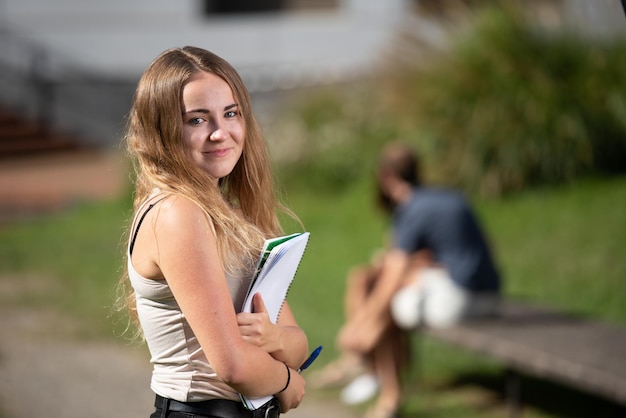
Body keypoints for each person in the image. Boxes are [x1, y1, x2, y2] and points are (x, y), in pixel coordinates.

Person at [116, 46, 308, 418]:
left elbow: (298, 343)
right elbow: (233, 365)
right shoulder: (177, 212)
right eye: (197, 120)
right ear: (162, 131)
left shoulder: (230, 215)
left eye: (231, 113)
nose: (221, 133)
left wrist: (275, 339)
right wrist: (287, 381)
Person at [311, 141, 501, 418]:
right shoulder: (444, 197)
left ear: (386, 176)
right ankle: (365, 364)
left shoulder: (411, 209)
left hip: (462, 301)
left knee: (390, 297)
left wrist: (363, 325)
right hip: (487, 294)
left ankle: (385, 390)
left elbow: (394, 275)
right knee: (371, 279)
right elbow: (449, 254)